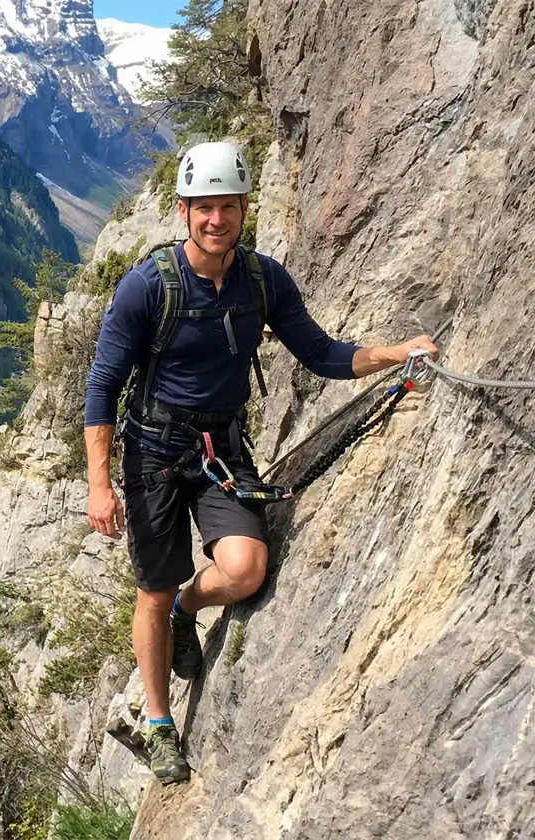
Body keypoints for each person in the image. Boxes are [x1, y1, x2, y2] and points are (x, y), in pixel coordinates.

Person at [82, 141, 438, 785]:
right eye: (204, 208)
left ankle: (193, 608)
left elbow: (322, 353)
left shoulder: (263, 280)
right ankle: (161, 724)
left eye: (228, 207)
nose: (216, 220)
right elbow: (103, 384)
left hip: (220, 448)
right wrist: (100, 484)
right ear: (183, 210)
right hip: (154, 454)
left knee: (244, 570)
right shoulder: (147, 286)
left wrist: (394, 354)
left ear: (244, 208)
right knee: (153, 589)